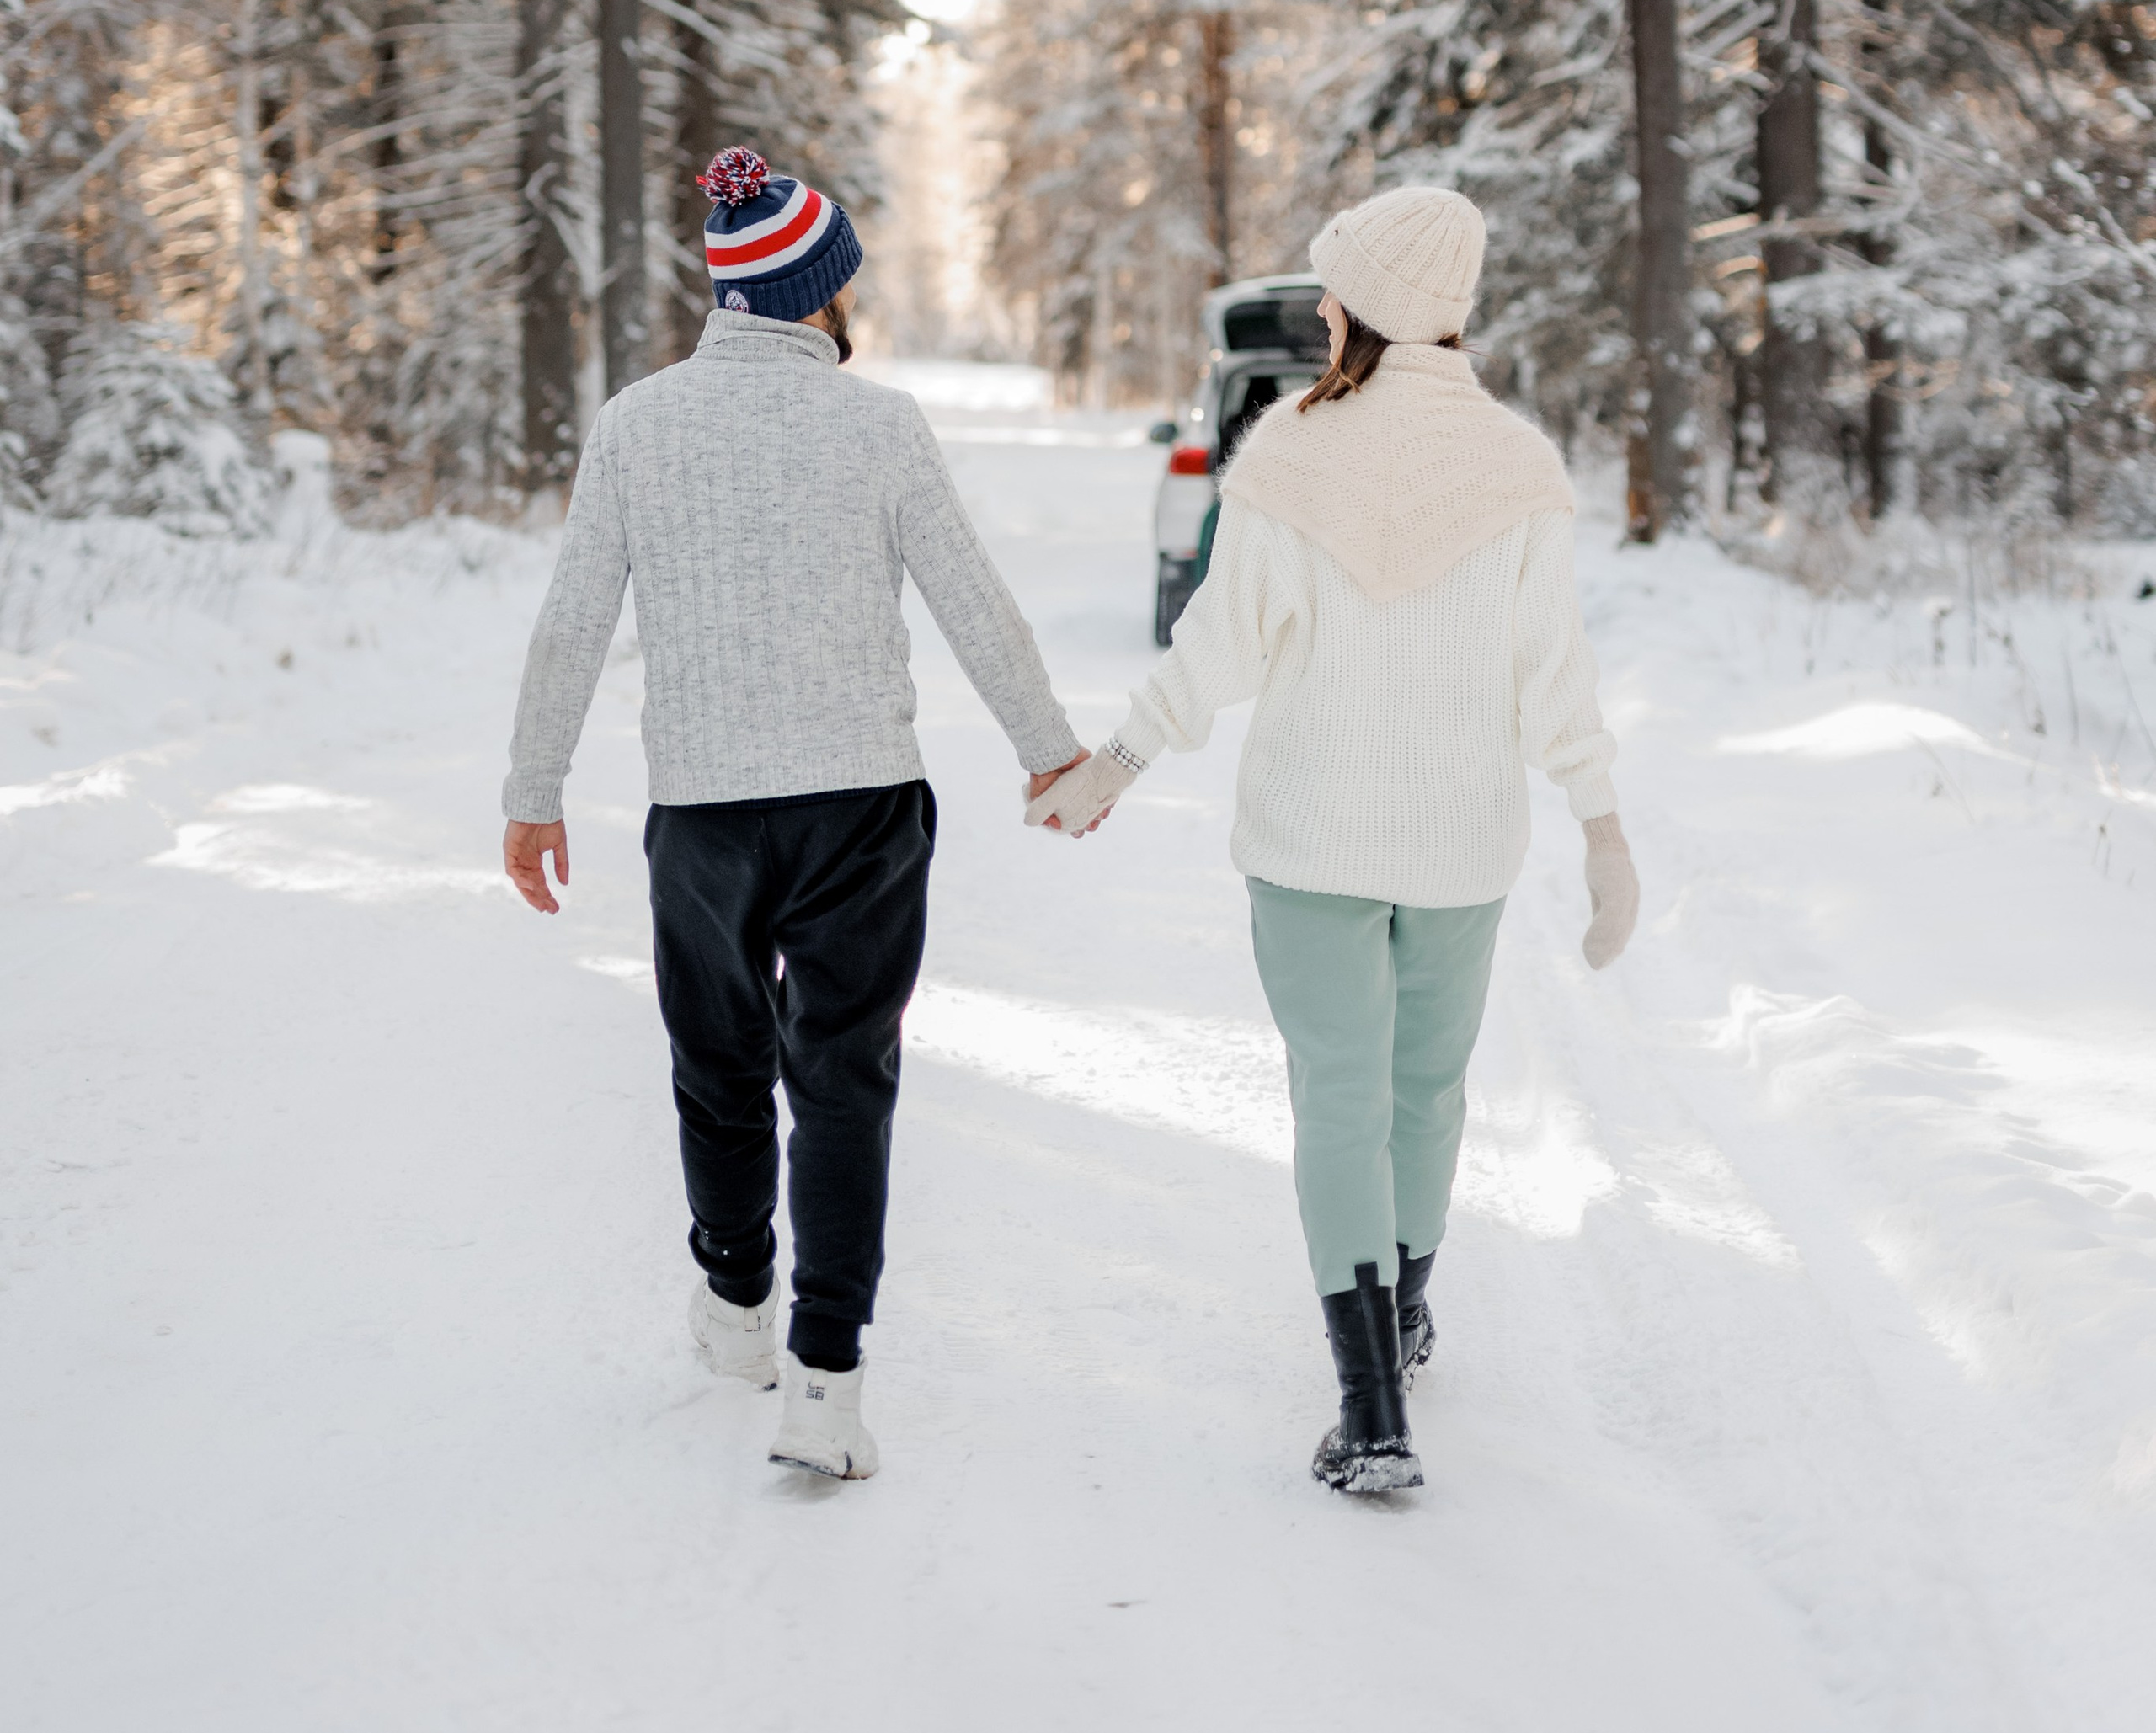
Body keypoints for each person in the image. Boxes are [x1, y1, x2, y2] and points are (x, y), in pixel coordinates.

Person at [1027, 184, 1637, 1496]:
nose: (1319, 308)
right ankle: (1401, 1317)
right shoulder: (1521, 471)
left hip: (1311, 846)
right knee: (1426, 1094)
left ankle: (1369, 1404)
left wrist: (1113, 766)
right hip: (1461, 847)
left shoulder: (1290, 456)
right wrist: (1601, 826)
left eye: (1335, 288)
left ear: (1375, 311)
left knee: (1342, 1100)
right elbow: (1556, 673)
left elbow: (1215, 652)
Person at [502, 145, 1082, 1482]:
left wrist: (534, 794)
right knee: (842, 1086)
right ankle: (826, 1379)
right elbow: (972, 602)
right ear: (817, 297)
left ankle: (735, 1305)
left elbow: (572, 621)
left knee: (718, 1068)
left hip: (704, 818)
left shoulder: (638, 424)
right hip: (860, 813)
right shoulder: (880, 426)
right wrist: (1047, 752)